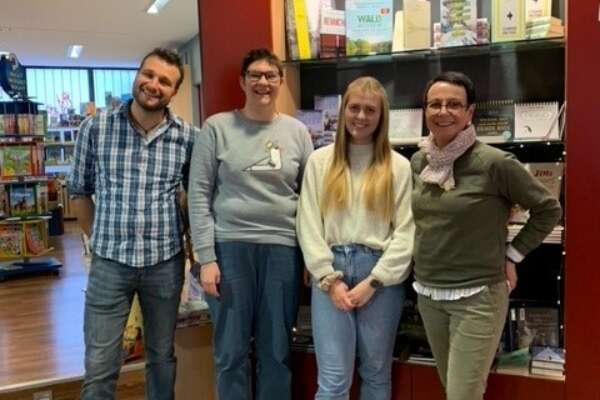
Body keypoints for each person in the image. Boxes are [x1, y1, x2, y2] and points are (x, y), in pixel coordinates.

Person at [411, 71, 562, 400]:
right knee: (451, 387)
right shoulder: (420, 161)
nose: (443, 111)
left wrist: (512, 255)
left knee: (463, 395)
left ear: (470, 112)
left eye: (454, 104)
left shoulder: (495, 163)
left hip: (478, 298)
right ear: (425, 111)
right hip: (429, 294)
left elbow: (549, 209)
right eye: (434, 104)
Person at [68, 48, 197, 400]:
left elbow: (193, 199)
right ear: (137, 74)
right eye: (149, 75)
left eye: (165, 81)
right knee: (100, 365)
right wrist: (100, 238)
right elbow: (79, 191)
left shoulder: (188, 137)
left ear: (174, 92)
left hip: (164, 265)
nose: (153, 85)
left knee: (162, 358)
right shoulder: (95, 128)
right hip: (110, 266)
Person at [187, 48, 313, 400]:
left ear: (280, 81)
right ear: (242, 81)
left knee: (277, 351)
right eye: (255, 75)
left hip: (282, 251)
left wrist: (308, 259)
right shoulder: (216, 128)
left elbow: (309, 198)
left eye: (270, 75)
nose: (263, 82)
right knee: (231, 352)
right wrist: (206, 258)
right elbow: (198, 195)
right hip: (229, 250)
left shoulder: (297, 132)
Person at [296, 76, 415, 400]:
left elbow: (406, 231)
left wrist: (374, 282)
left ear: (381, 116)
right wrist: (329, 279)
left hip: (380, 276)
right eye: (354, 108)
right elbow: (308, 224)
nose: (361, 117)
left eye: (370, 110)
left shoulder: (399, 166)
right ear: (343, 111)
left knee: (376, 374)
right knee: (333, 380)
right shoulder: (320, 162)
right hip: (330, 273)